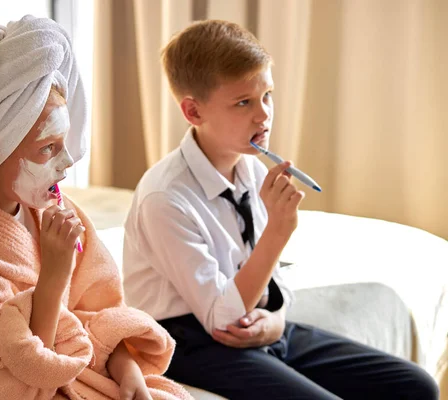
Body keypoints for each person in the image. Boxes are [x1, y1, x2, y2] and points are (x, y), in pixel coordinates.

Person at [122, 19, 439, 400]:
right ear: (193, 112)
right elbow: (221, 319)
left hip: (249, 321)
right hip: (190, 341)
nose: (264, 115)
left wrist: (277, 318)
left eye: (267, 95)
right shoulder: (165, 197)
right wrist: (279, 230)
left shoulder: (252, 168)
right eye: (244, 102)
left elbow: (271, 277)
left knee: (416, 386)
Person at [0, 15, 192, 400]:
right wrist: (53, 276)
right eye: (47, 148)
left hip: (81, 374)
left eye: (64, 143)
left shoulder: (55, 212)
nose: (67, 161)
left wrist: (126, 367)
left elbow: (97, 313)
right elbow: (3, 386)